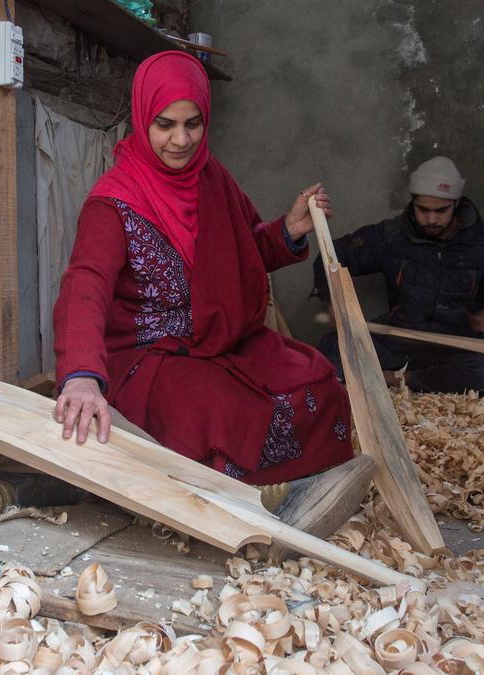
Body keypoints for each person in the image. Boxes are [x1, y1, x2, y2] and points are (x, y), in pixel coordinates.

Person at [51, 51, 374, 538]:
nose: (180, 140)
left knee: (318, 385)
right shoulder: (113, 201)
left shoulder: (212, 178)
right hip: (151, 355)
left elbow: (244, 250)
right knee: (223, 414)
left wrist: (288, 229)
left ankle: (299, 491)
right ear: (142, 119)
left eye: (193, 123)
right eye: (164, 124)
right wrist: (80, 377)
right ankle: (246, 508)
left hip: (221, 340)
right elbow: (85, 287)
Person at [313, 156, 484, 396]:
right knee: (332, 347)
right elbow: (331, 256)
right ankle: (402, 380)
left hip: (453, 347)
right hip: (398, 340)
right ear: (413, 203)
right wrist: (333, 300)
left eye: (441, 210)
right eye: (423, 210)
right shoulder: (392, 236)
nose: (431, 219)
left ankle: (393, 380)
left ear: (457, 203)